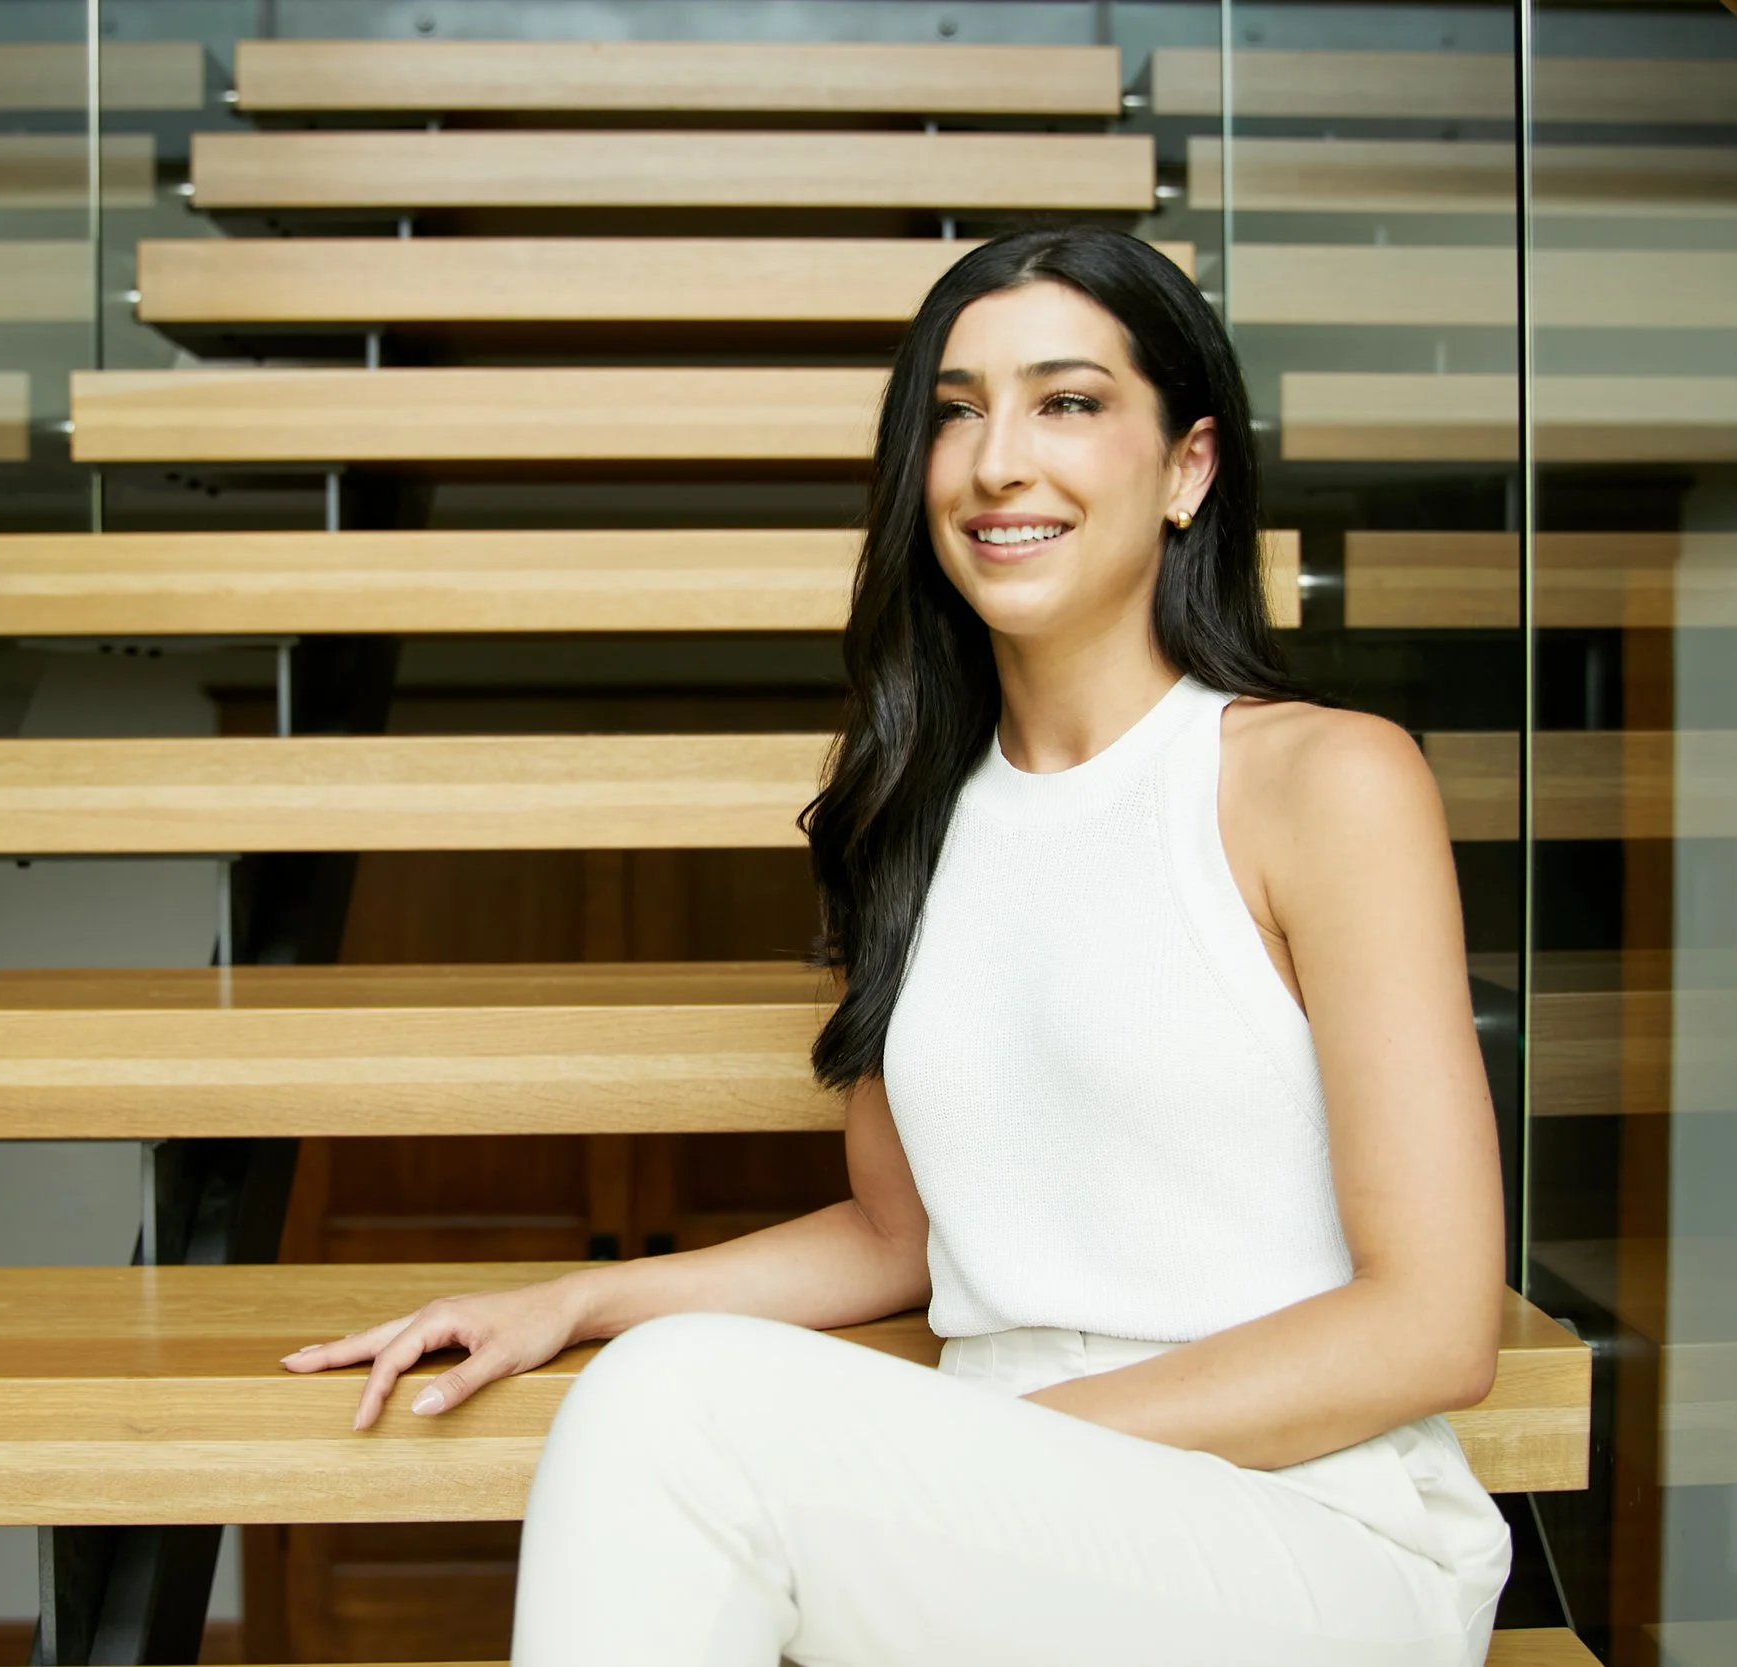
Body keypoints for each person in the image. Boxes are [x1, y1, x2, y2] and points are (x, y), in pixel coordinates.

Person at [279, 224, 1514, 1666]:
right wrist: (574, 1297)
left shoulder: (1322, 779)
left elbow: (1433, 1324)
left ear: (1188, 468)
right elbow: (897, 1235)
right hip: (1008, 1528)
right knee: (665, 1392)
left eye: (1067, 401)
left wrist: (982, 1455)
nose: (998, 460)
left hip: (1310, 1525)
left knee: (681, 1408)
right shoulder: (917, 818)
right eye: (955, 409)